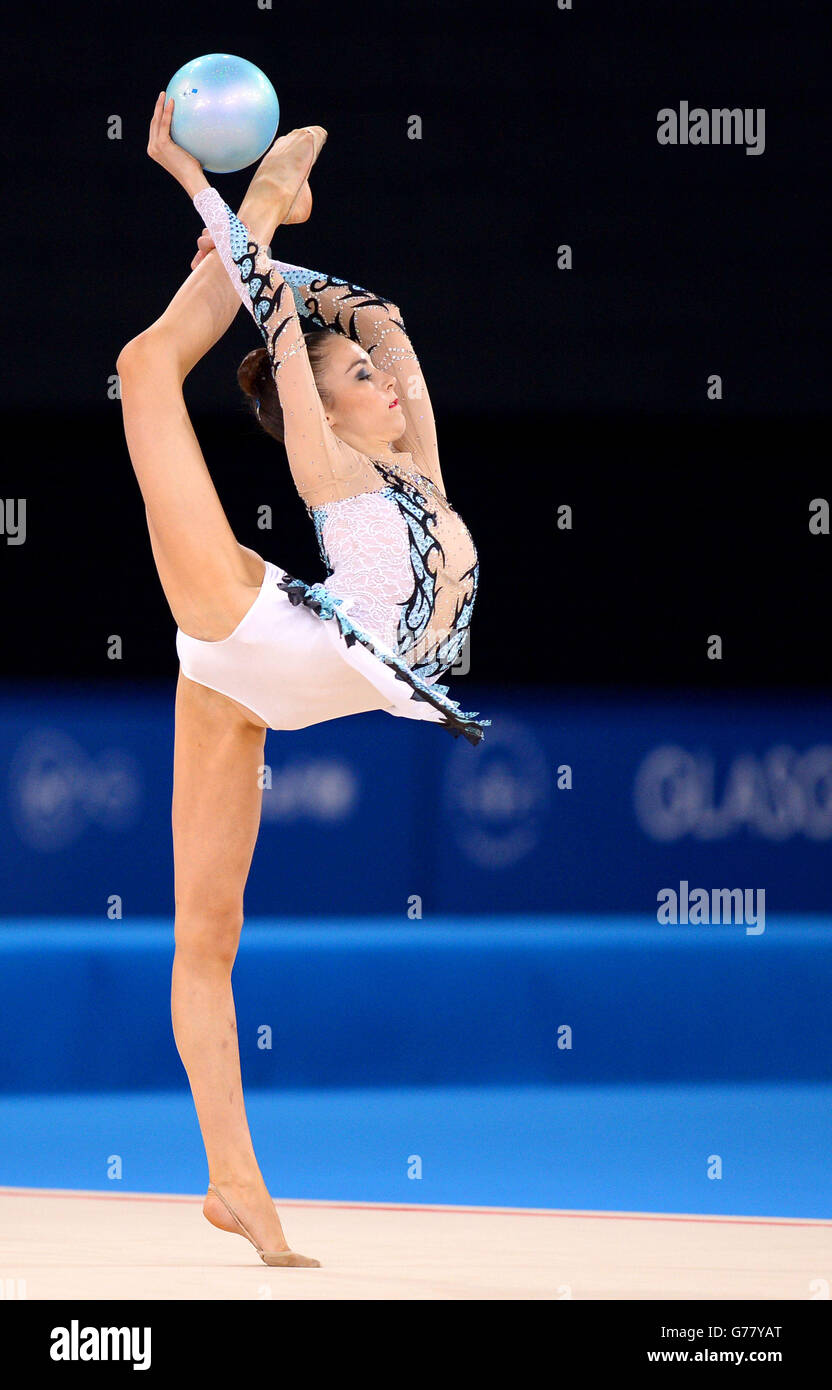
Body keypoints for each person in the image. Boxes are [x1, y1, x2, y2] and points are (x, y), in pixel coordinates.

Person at [116, 94, 488, 1267]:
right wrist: (220, 193)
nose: (383, 375)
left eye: (379, 374)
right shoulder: (330, 464)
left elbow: (379, 318)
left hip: (288, 665)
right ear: (318, 406)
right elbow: (284, 315)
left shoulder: (412, 452)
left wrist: (286, 209)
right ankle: (238, 1182)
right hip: (257, 630)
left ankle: (230, 1181)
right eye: (356, 374)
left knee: (208, 939)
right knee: (141, 367)